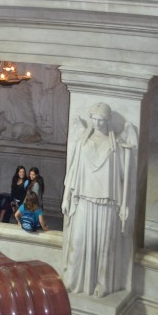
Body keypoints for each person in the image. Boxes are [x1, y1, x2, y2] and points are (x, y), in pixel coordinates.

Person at [61, 102, 137, 298]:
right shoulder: (83, 141)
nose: (98, 123)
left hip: (107, 203)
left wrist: (125, 203)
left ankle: (102, 283)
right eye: (94, 119)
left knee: (105, 246)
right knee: (77, 242)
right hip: (84, 199)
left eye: (102, 120)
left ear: (108, 120)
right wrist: (67, 196)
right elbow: (73, 170)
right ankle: (73, 279)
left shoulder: (116, 145)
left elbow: (123, 174)